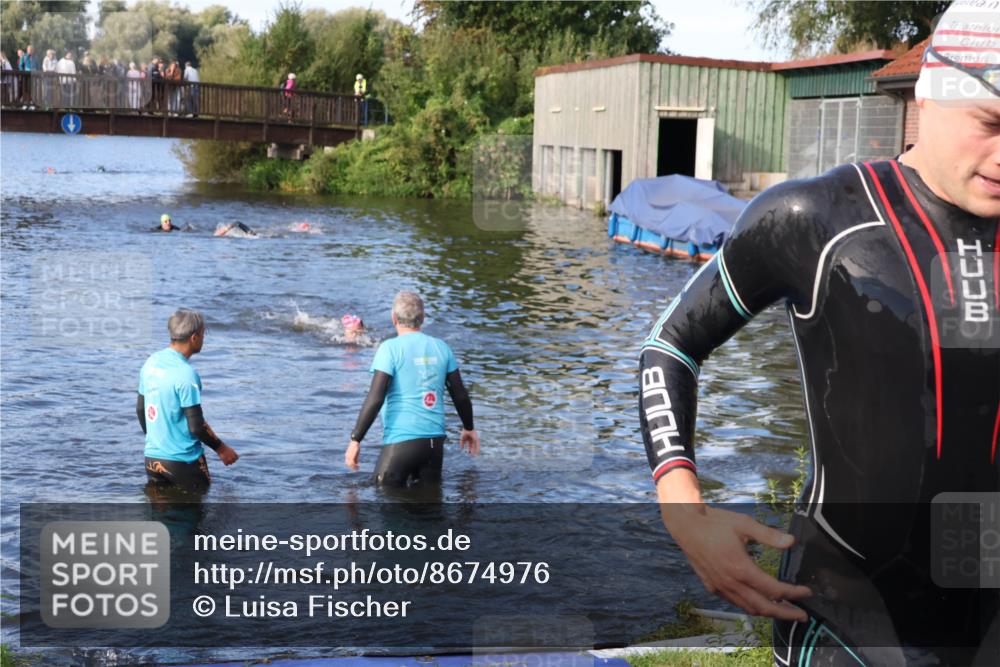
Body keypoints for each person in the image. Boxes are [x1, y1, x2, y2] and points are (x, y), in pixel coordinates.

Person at [638, 3, 999, 664]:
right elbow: (671, 346)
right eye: (991, 125)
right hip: (846, 618)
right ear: (929, 94)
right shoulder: (814, 218)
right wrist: (684, 508)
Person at [346, 291, 480, 486]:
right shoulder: (442, 348)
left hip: (400, 442)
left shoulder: (389, 349)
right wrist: (469, 428)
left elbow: (375, 397)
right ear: (422, 318)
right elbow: (460, 395)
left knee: (384, 501)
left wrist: (355, 440)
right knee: (429, 509)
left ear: (394, 318)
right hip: (434, 445)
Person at [137, 309, 239, 493]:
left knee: (161, 517)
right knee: (197, 518)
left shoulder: (151, 362)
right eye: (203, 334)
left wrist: (158, 443)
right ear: (194, 337)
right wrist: (222, 449)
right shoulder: (186, 374)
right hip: (184, 463)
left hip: (152, 459)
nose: (203, 339)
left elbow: (140, 410)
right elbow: (197, 426)